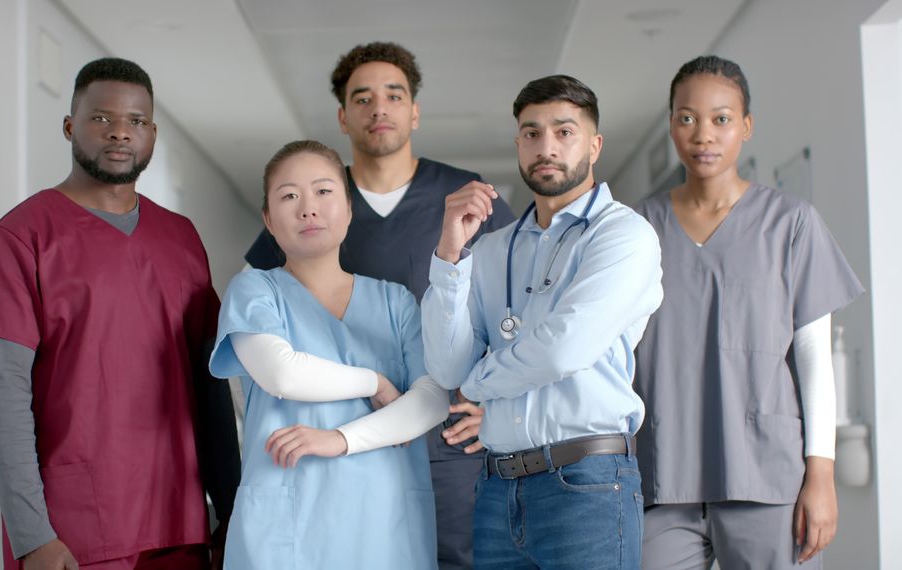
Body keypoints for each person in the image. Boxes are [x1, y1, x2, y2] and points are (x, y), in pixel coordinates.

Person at [0, 58, 240, 570]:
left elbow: (209, 384)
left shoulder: (181, 239)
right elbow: (2, 402)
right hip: (75, 532)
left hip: (181, 521)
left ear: (152, 133)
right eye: (102, 118)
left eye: (136, 121)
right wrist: (32, 536)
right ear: (69, 126)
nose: (120, 133)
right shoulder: (20, 240)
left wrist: (234, 506)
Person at [245, 42, 514, 569]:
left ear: (414, 111)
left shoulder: (468, 199)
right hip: (342, 439)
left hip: (451, 438)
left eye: (394, 95)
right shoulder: (316, 202)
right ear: (343, 117)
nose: (379, 108)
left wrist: (501, 409)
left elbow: (516, 314)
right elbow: (264, 307)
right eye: (362, 98)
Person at [421, 74, 663, 569]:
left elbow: (563, 350)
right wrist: (450, 253)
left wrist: (478, 384)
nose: (546, 146)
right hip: (496, 489)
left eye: (564, 131)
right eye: (532, 133)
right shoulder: (490, 248)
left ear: (594, 145)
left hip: (588, 485)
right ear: (517, 144)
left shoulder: (623, 235)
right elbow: (447, 368)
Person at [634, 55, 864, 570]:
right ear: (672, 124)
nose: (703, 135)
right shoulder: (636, 229)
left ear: (746, 127)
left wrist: (820, 476)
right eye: (687, 118)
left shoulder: (791, 224)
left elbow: (813, 360)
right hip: (660, 478)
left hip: (768, 476)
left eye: (721, 119)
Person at [210, 140, 450, 570]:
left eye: (323, 191)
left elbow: (431, 399)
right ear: (267, 218)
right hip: (288, 526)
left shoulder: (395, 303)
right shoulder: (254, 291)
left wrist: (339, 440)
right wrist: (374, 382)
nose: (308, 208)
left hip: (384, 520)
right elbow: (282, 375)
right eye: (288, 196)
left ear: (349, 206)